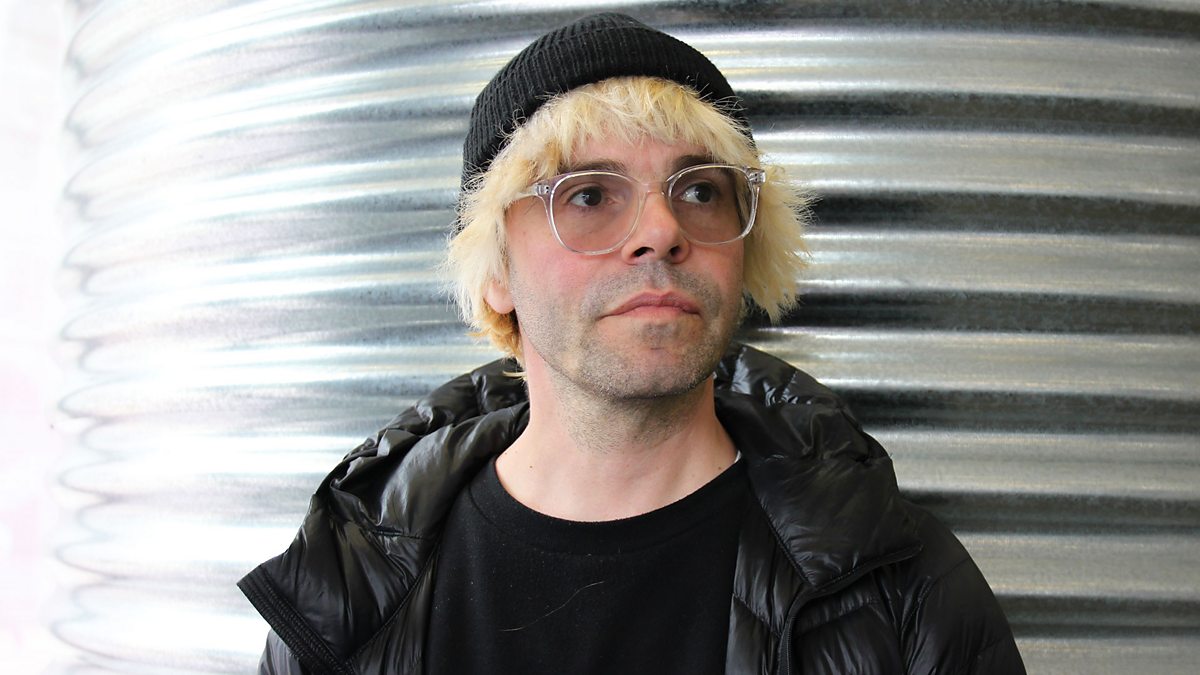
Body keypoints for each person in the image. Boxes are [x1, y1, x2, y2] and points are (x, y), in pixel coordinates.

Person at [239, 12, 1025, 674]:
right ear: (497, 272)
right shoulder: (347, 594)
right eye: (588, 195)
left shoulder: (898, 586)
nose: (661, 229)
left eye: (701, 189)